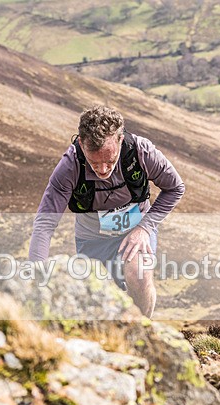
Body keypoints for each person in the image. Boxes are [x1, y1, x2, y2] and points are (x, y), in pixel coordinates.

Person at [29, 105, 185, 318]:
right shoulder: (69, 167)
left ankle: (142, 333)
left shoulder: (140, 152)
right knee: (98, 301)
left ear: (120, 140)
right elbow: (45, 223)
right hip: (92, 240)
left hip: (136, 232)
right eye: (94, 162)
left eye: (110, 161)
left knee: (138, 274)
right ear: (82, 144)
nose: (103, 170)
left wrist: (144, 228)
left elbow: (175, 188)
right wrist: (35, 276)